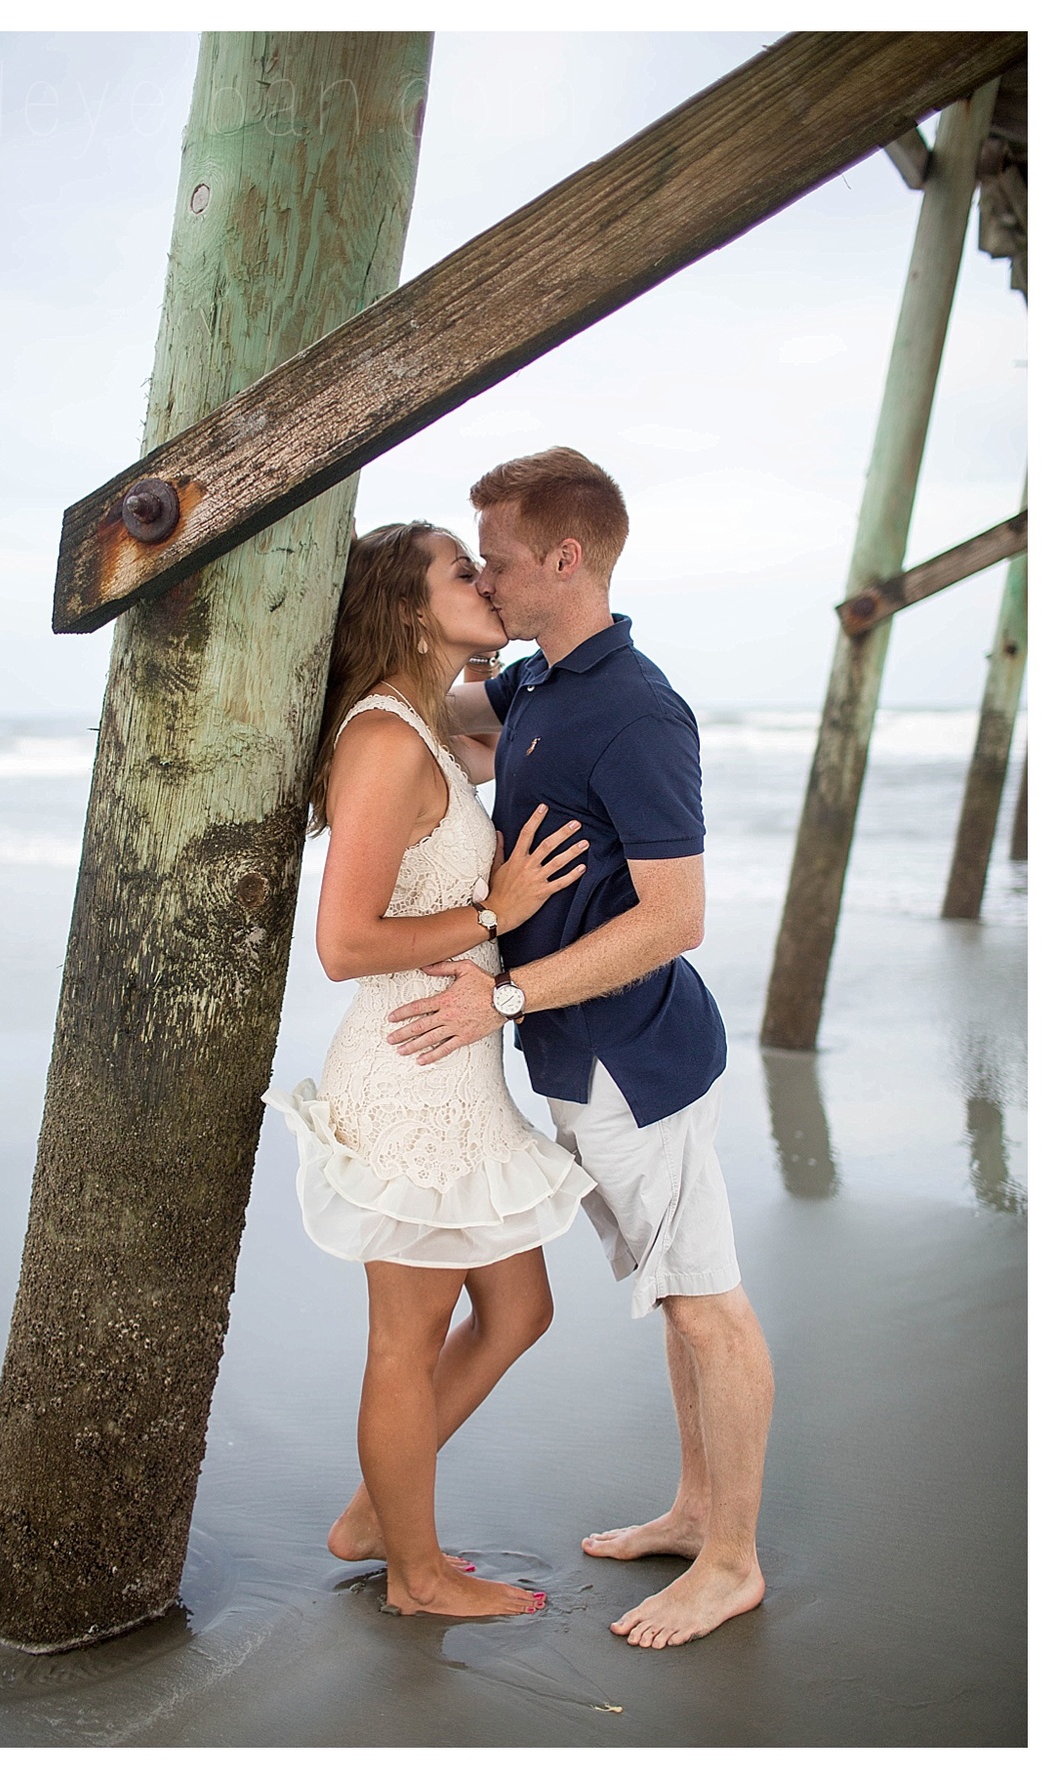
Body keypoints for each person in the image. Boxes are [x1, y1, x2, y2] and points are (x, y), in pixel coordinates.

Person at [392, 447, 774, 1650]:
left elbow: (675, 919)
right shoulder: (539, 686)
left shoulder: (638, 709)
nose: (488, 579)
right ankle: (694, 1506)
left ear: (566, 559)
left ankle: (731, 1561)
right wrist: (408, 629)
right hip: (573, 1056)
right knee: (673, 1295)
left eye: (495, 561)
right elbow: (437, 720)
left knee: (707, 1306)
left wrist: (502, 1001)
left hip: (633, 1059)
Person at [264, 521, 594, 1619]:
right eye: (465, 571)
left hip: (456, 1065)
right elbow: (343, 943)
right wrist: (498, 907)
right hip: (407, 1067)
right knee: (404, 1341)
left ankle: (375, 1512)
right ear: (410, 608)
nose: (487, 582)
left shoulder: (431, 725)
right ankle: (413, 1573)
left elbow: (545, 703)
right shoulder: (387, 743)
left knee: (517, 1310)